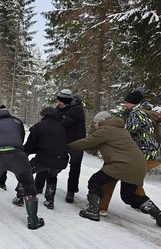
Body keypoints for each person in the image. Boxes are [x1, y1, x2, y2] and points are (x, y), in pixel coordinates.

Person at [67, 111, 161, 226]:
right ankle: (158, 214)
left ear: (102, 121)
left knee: (95, 180)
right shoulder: (120, 130)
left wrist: (66, 147)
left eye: (95, 123)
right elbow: (93, 145)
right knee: (129, 196)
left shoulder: (105, 130)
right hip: (139, 165)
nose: (94, 126)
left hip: (122, 165)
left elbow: (86, 142)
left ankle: (92, 210)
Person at [99, 88, 161, 216]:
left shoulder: (135, 114)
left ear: (134, 103)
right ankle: (155, 212)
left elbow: (127, 133)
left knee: (113, 174)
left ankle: (101, 208)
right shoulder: (148, 114)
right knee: (134, 183)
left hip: (140, 155)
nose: (125, 105)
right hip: (154, 155)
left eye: (127, 102)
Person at [0, 106, 44, 230]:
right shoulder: (17, 121)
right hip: (16, 153)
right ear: (8, 114)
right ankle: (33, 220)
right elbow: (21, 138)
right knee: (27, 182)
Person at [13, 106, 68, 210]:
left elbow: (30, 146)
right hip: (61, 161)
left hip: (43, 160)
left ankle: (20, 197)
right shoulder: (61, 127)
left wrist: (22, 155)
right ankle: (50, 200)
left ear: (44, 116)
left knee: (26, 172)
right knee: (52, 175)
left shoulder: (39, 126)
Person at [55, 89, 86, 203]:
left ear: (67, 101)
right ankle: (44, 184)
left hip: (77, 142)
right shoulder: (58, 108)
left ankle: (71, 191)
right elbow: (54, 120)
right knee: (53, 161)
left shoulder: (76, 109)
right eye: (58, 101)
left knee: (75, 166)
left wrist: (51, 129)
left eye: (61, 101)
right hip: (63, 140)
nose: (59, 103)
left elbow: (64, 124)